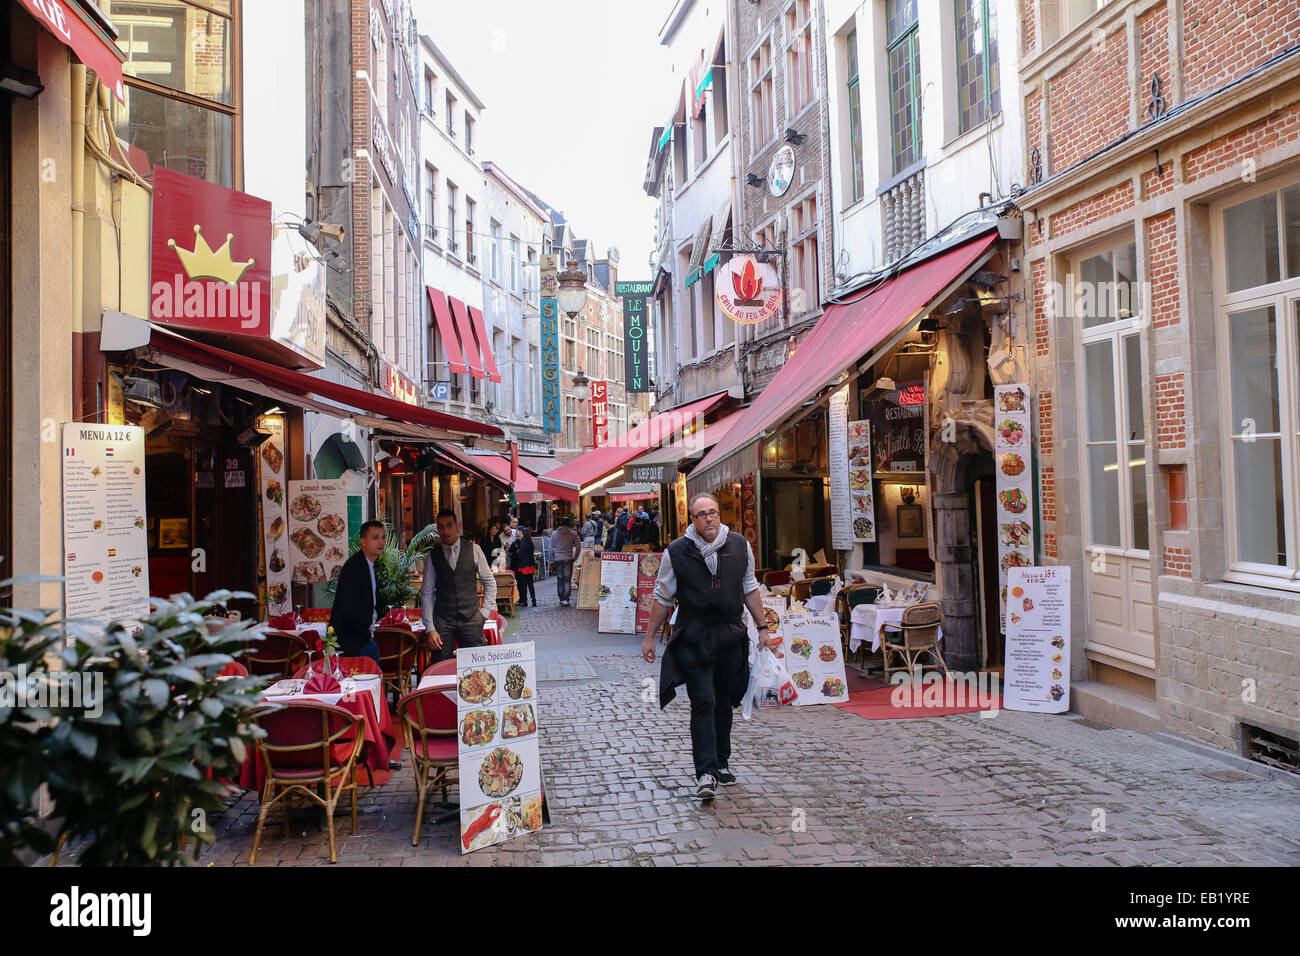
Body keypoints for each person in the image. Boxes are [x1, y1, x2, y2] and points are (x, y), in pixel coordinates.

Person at [642, 494, 772, 799]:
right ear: (693, 521)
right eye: (701, 515)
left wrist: (763, 627)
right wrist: (650, 636)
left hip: (730, 634)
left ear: (719, 515)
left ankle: (721, 762)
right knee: (703, 700)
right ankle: (705, 772)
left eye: (712, 512)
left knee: (725, 700)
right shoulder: (676, 552)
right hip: (694, 636)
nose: (708, 518)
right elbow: (662, 598)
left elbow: (749, 587)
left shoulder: (740, 545)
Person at [421, 509, 497, 662]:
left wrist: (483, 614)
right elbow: (427, 594)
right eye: (441, 527)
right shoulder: (432, 556)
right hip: (442, 621)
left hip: (471, 618)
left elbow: (490, 583)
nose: (445, 531)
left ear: (458, 526)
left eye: (449, 525)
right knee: (440, 666)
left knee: (476, 669)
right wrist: (430, 628)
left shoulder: (474, 550)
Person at [329, 520, 389, 669]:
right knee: (370, 685)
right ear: (363, 541)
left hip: (363, 638)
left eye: (383, 537)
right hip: (355, 642)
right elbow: (349, 608)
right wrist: (365, 635)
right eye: (375, 537)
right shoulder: (355, 567)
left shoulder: (369, 565)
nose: (381, 541)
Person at [549, 515, 581, 606]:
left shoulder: (554, 534)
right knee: (567, 579)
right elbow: (578, 547)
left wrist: (550, 560)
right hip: (568, 559)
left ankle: (561, 598)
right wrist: (576, 557)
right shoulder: (573, 534)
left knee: (560, 579)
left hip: (558, 559)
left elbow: (550, 548)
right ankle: (566, 599)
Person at [509, 525, 538, 608]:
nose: (518, 533)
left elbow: (520, 556)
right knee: (531, 584)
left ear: (522, 533)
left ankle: (524, 601)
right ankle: (534, 601)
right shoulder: (530, 543)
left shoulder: (522, 543)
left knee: (524, 585)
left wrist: (518, 552)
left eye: (519, 531)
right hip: (530, 566)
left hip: (523, 567)